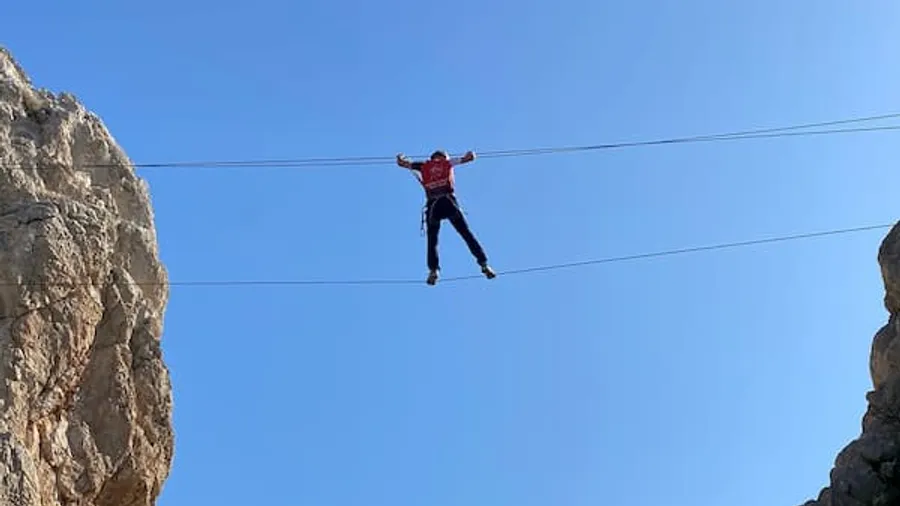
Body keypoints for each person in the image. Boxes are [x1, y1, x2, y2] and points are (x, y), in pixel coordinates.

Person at [396, 149, 496, 285]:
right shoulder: (447, 163)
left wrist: (401, 158)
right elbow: (469, 158)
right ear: (443, 157)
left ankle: (433, 270)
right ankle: (484, 264)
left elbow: (403, 164)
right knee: (466, 234)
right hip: (448, 202)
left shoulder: (422, 166)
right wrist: (470, 155)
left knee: (432, 240)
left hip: (433, 206)